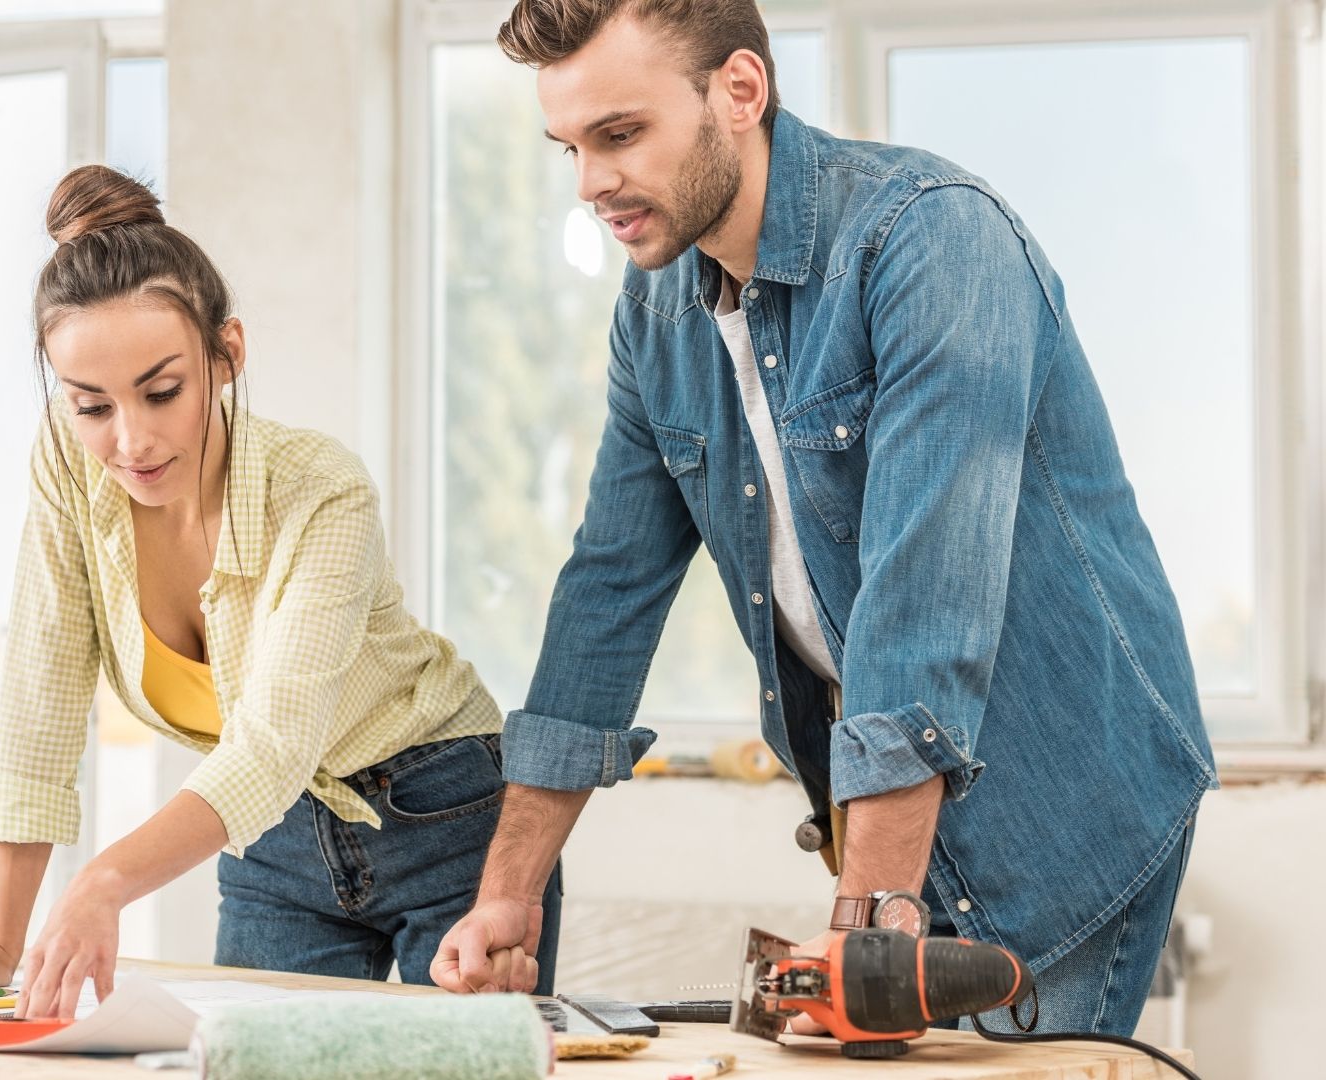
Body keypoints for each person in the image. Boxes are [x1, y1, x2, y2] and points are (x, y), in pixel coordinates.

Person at [433, 0, 1214, 1038]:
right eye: (569, 147)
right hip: (898, 823)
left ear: (740, 93)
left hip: (1066, 811)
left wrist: (869, 929)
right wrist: (509, 893)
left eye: (620, 135)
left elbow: (920, 606)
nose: (589, 184)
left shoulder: (931, 239)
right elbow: (605, 595)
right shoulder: (657, 312)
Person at [0, 165, 559, 1018]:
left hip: (447, 814)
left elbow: (276, 743)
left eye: (162, 391)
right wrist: (1, 940)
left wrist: (103, 883)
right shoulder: (70, 466)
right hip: (274, 842)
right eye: (91, 405)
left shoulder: (322, 489)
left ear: (227, 354)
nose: (130, 441)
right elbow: (43, 694)